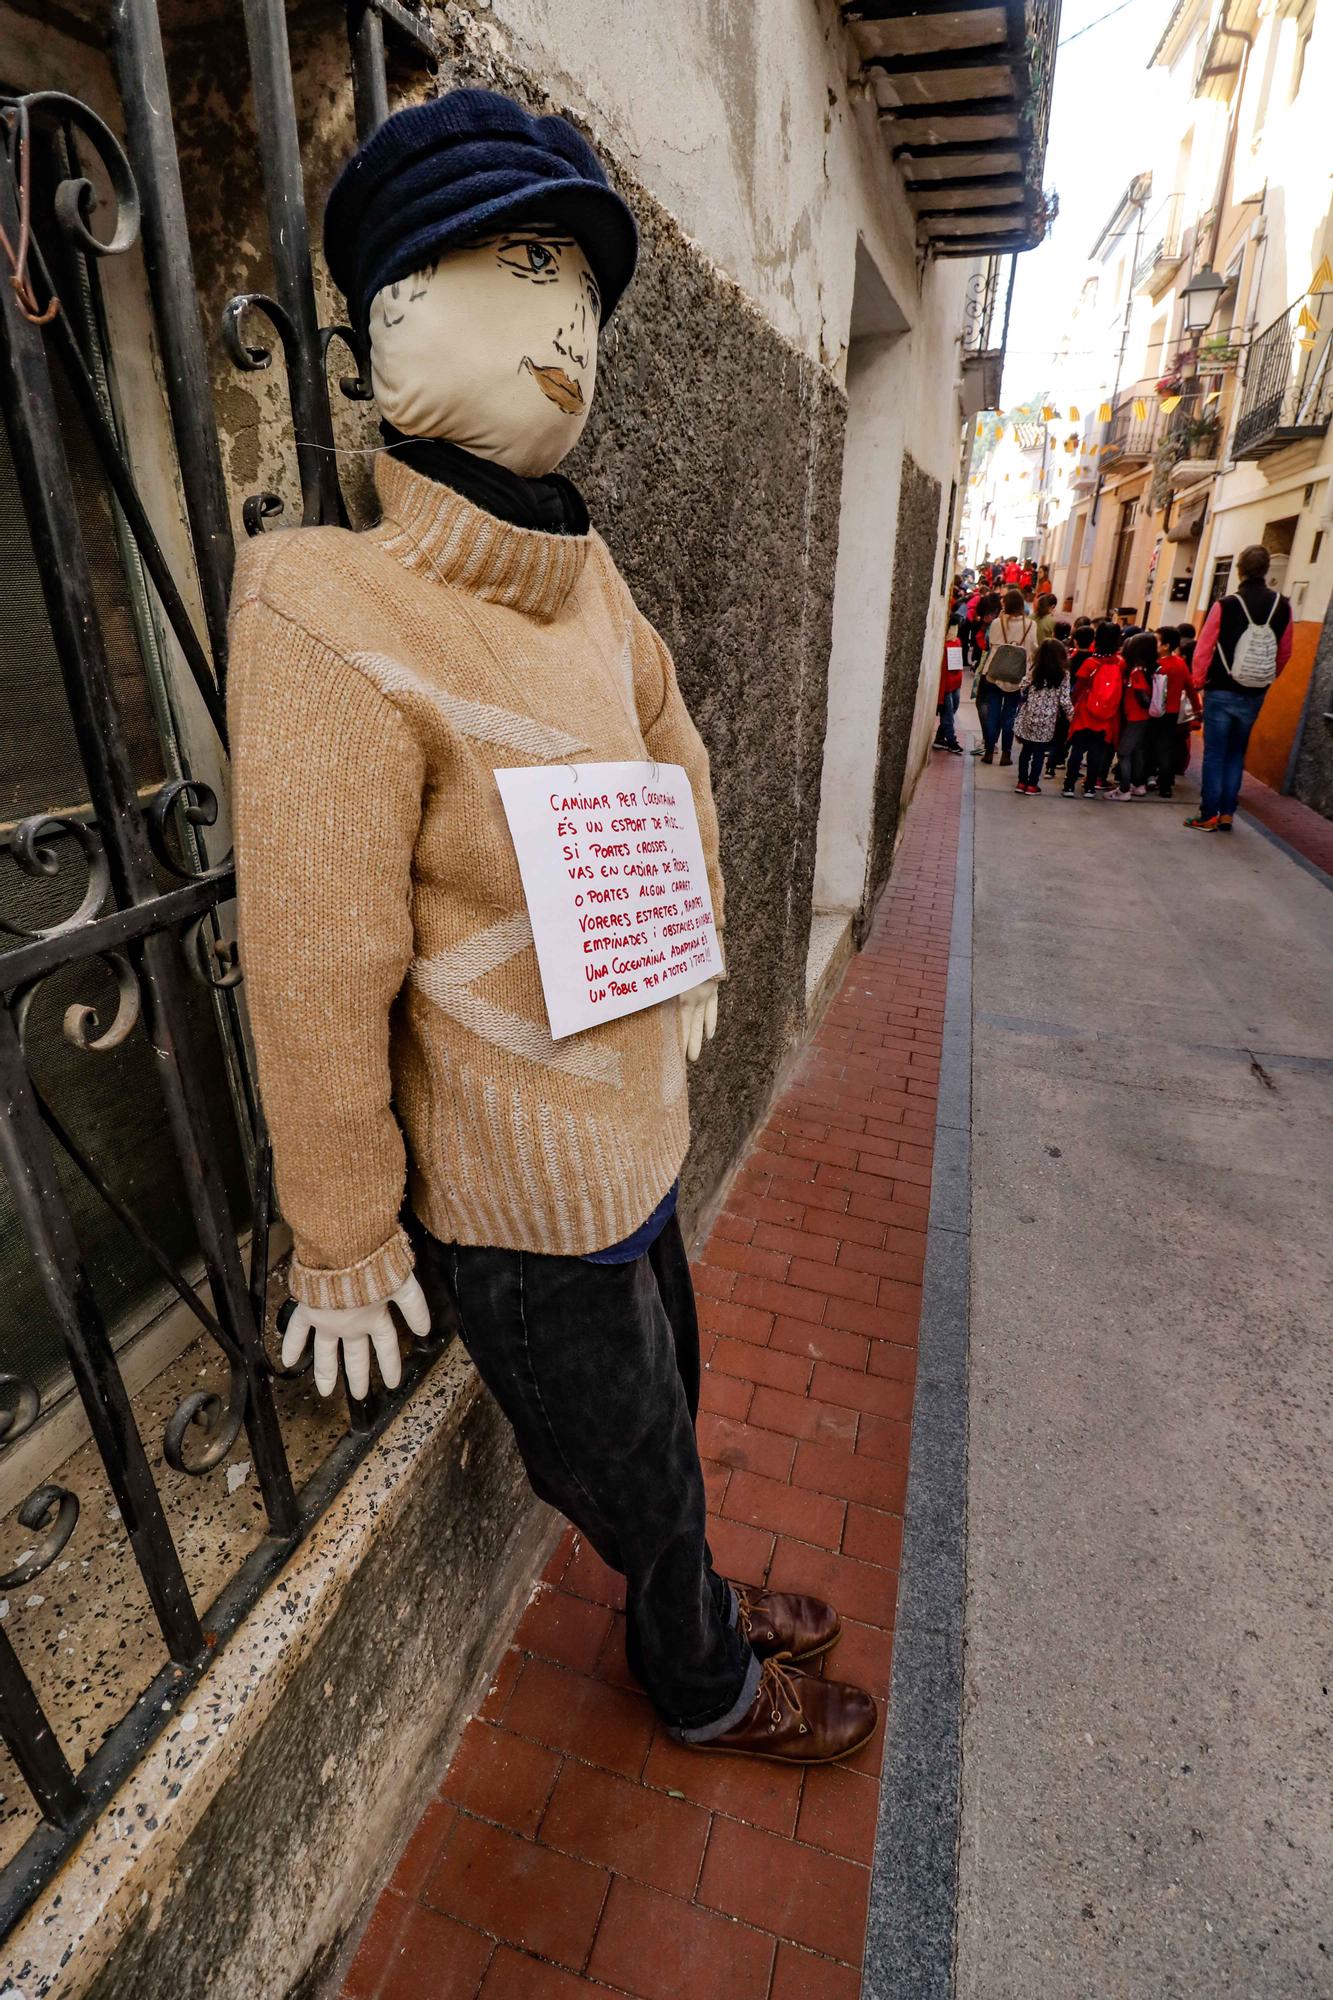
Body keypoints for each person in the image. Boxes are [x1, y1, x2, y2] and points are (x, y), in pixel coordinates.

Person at [229, 88, 877, 1767]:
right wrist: (344, 1226)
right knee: (627, 1463)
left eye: (580, 295)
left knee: (675, 1402)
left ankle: (700, 1594)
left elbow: (673, 742)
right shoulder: (329, 606)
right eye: (522, 273)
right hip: (518, 1191)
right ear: (393, 320)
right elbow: (313, 960)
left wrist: (699, 934)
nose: (568, 337)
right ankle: (704, 1678)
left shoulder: (584, 577)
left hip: (636, 1132)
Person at [1185, 546, 1293, 831]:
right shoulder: (1282, 605)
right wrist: (1266, 678)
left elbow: (1204, 649)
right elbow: (1284, 652)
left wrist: (1198, 683)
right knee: (1236, 753)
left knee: (1214, 753)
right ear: (1266, 570)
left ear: (1240, 570)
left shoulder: (1226, 604)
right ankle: (1227, 813)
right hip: (1255, 692)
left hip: (1221, 688)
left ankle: (1208, 813)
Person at [1062, 620, 1124, 797]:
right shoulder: (1119, 663)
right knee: (1097, 751)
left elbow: (1079, 688)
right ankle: (1090, 787)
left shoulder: (1091, 663)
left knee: (1078, 749)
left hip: (1086, 711)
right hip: (1107, 714)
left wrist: (1072, 707)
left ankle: (1069, 785)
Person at [979, 587, 1037, 766]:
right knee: (1010, 714)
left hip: (994, 672)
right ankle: (1006, 754)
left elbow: (990, 643)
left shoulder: (997, 622)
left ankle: (989, 751)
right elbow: (1033, 648)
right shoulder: (1030, 625)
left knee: (993, 713)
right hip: (1017, 675)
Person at [1014, 638, 1072, 794]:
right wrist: (1071, 716)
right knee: (1039, 754)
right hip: (1047, 721)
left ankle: (1021, 782)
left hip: (1029, 717)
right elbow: (1065, 700)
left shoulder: (1035, 670)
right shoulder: (1063, 675)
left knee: (1026, 751)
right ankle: (1032, 785)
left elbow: (1022, 685)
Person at [1144, 626, 1192, 799]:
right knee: (1166, 748)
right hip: (1172, 713)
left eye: (1156, 640)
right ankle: (1165, 785)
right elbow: (1190, 687)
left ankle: (1148, 777)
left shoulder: (1157, 666)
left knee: (1150, 745)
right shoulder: (1181, 664)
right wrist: (1197, 709)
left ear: (1165, 645)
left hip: (1155, 712)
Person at [1109, 632, 1158, 798]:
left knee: (1123, 752)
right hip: (1142, 718)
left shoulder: (1136, 672)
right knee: (1137, 750)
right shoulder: (1150, 669)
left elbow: (1141, 695)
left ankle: (1124, 789)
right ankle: (1139, 784)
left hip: (1135, 718)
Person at [934, 640, 965, 754]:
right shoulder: (943, 645)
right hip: (947, 686)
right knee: (948, 715)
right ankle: (951, 741)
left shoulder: (956, 642)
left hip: (955, 683)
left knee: (952, 710)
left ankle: (940, 738)